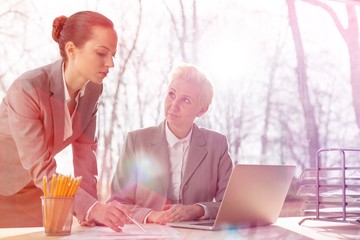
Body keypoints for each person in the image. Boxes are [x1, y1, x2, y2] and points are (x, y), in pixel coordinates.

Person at [0, 11, 130, 231]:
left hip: (35, 188)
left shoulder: (93, 90)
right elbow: (41, 169)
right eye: (101, 53)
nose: (111, 63)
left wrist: (91, 210)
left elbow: (85, 155)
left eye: (113, 54)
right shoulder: (28, 89)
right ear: (71, 50)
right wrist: (91, 207)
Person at [109, 63, 234, 224]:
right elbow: (117, 203)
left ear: (201, 110)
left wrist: (197, 209)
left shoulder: (217, 145)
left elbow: (231, 205)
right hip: (148, 234)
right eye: (172, 94)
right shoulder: (136, 141)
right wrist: (151, 215)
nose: (174, 105)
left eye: (186, 100)